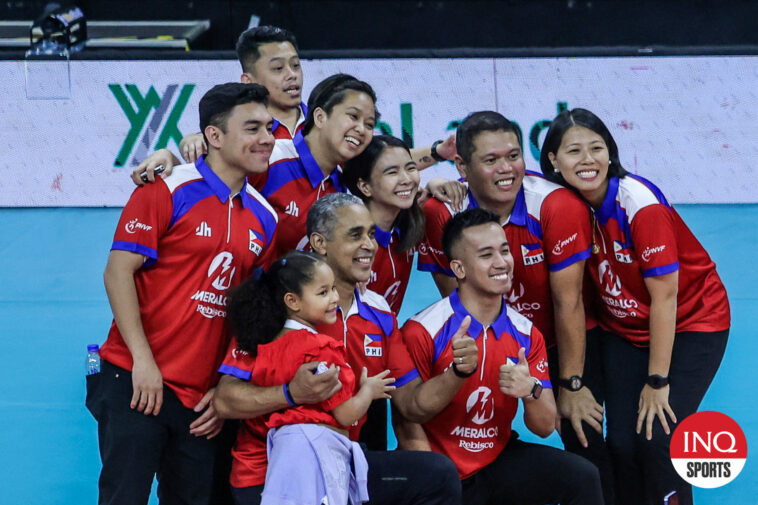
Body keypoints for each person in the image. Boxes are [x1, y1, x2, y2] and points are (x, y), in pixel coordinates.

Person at [85, 82, 279, 505]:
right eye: (252, 128)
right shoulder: (165, 188)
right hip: (134, 378)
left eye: (269, 127)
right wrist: (143, 362)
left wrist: (226, 384)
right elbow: (118, 273)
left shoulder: (264, 217)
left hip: (200, 401)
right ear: (213, 136)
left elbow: (248, 312)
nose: (266, 138)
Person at [214, 193, 464, 505]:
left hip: (340, 467)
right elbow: (225, 400)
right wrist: (291, 393)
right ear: (319, 243)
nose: (370, 245)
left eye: (372, 234)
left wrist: (457, 371)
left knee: (435, 474)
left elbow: (412, 404)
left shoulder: (379, 311)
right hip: (271, 477)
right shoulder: (279, 310)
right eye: (355, 235)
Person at [416, 110, 615, 501]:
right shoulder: (440, 213)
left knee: (584, 434)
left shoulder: (557, 205)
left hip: (559, 341)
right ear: (461, 165)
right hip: (491, 340)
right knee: (469, 434)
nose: (506, 169)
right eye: (490, 161)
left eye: (513, 155)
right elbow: (455, 300)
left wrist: (571, 384)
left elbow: (568, 302)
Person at [540, 107, 730, 505]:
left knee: (659, 436)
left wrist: (658, 382)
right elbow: (498, 180)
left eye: (597, 147)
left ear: (611, 152)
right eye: (574, 151)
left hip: (691, 320)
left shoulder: (639, 205)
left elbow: (665, 297)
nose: (588, 159)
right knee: (622, 444)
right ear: (553, 161)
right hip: (623, 329)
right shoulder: (557, 204)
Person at [402, 208, 603, 505]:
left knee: (582, 476)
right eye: (486, 255)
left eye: (505, 250)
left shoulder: (526, 333)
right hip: (441, 471)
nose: (502, 263)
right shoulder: (421, 330)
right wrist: (435, 482)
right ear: (459, 269)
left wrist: (530, 390)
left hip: (495, 460)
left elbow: (544, 426)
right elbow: (407, 423)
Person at [132, 26, 457, 184]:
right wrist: (168, 156)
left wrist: (439, 151)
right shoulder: (239, 137)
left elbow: (383, 161)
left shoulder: (326, 126)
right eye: (277, 69)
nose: (292, 77)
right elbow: (201, 179)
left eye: (296, 65)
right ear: (248, 80)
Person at [226, 250, 395, 505]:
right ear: (292, 301)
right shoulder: (322, 349)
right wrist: (368, 391)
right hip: (304, 474)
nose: (335, 299)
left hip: (253, 479)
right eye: (323, 292)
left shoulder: (262, 346)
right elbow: (345, 415)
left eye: (334, 289)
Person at [342, 135, 425, 313]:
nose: (406, 179)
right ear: (365, 186)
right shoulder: (345, 246)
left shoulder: (410, 225)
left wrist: (440, 184)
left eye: (411, 168)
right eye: (392, 172)